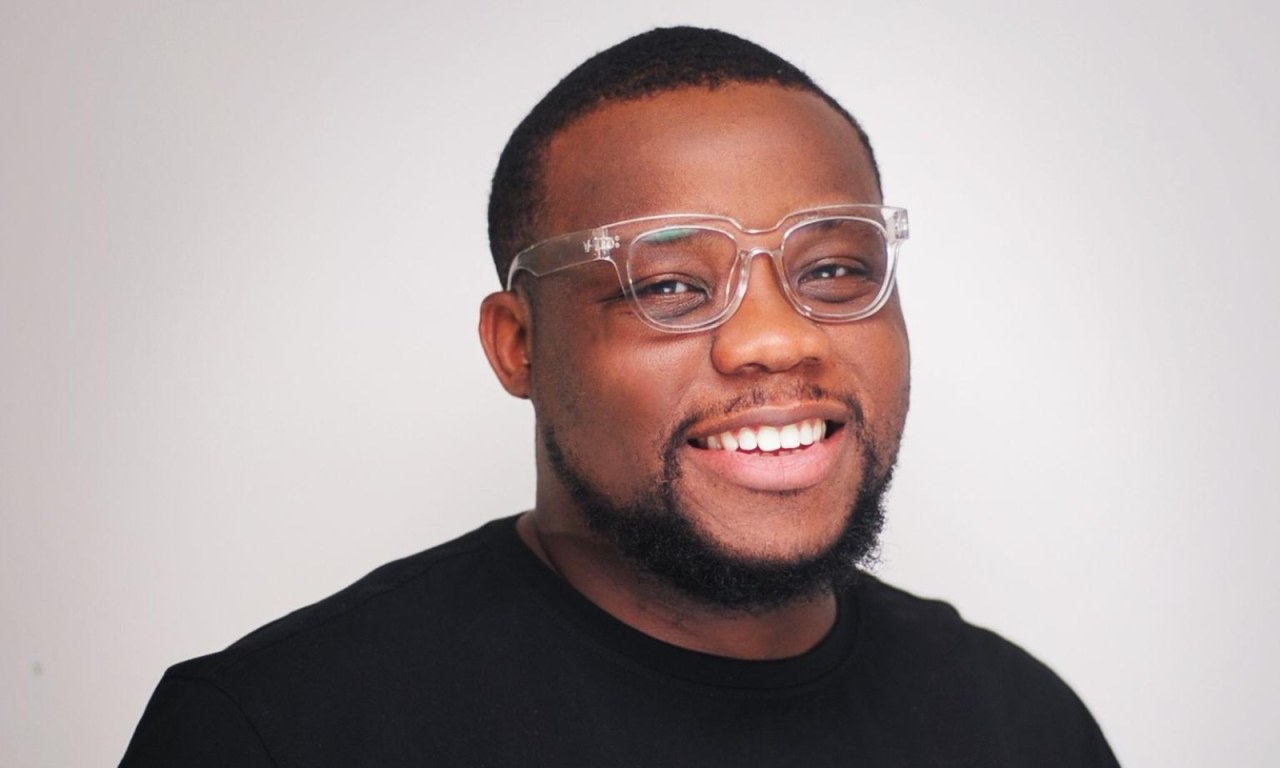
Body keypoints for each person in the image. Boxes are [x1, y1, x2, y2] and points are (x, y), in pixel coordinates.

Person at [120, 26, 1119, 767]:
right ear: (518, 345)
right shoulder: (276, 733)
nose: (778, 338)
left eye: (831, 271)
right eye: (670, 286)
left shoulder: (1022, 728)